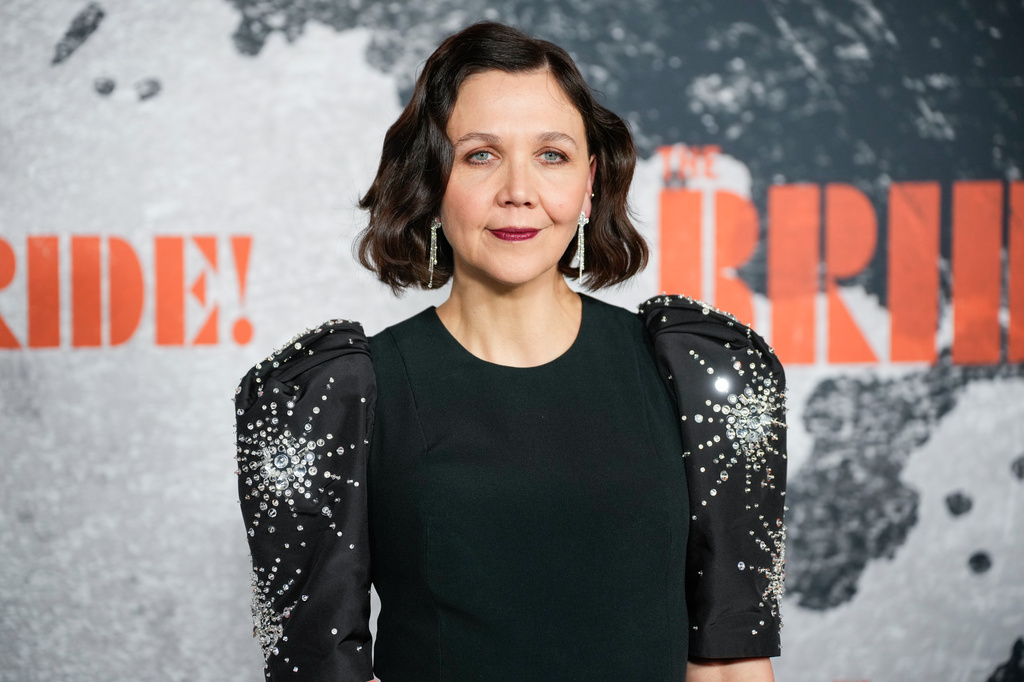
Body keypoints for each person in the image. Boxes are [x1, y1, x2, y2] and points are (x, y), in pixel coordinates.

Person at [234, 21, 786, 682]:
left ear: (590, 182)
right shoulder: (336, 396)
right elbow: (318, 672)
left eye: (551, 154)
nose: (518, 190)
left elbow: (730, 669)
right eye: (480, 155)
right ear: (431, 182)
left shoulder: (702, 375)